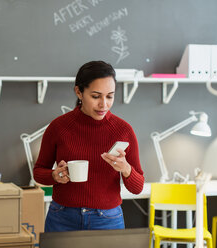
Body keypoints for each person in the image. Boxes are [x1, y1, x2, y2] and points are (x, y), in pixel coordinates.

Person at [33, 60, 144, 232]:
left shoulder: (124, 130)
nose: (104, 104)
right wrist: (54, 175)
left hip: (107, 220)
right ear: (79, 92)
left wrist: (126, 168)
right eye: (95, 96)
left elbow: (137, 188)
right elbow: (39, 172)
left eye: (110, 96)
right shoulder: (58, 127)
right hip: (62, 217)